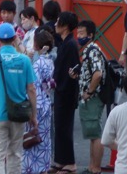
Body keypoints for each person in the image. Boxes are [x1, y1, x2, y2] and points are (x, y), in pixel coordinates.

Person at [0, 23, 37, 174]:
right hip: (18, 113)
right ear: (14, 38)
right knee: (15, 153)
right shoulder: (24, 60)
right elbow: (31, 89)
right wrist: (33, 114)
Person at [74, 20, 106, 174]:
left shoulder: (92, 50)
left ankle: (96, 167)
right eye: (78, 33)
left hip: (93, 97)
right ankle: (92, 165)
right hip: (91, 96)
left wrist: (90, 92)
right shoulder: (88, 50)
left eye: (82, 33)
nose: (78, 36)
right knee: (93, 133)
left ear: (90, 35)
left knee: (95, 132)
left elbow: (98, 73)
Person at [22, 30, 55, 174]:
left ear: (36, 45)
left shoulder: (36, 64)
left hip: (36, 104)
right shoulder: (50, 61)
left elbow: (32, 88)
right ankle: (44, 168)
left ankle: (29, 169)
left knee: (30, 139)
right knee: (43, 139)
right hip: (47, 103)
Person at [51, 11, 80, 173]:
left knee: (64, 127)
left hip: (66, 92)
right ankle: (61, 160)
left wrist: (60, 86)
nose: (55, 25)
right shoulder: (64, 42)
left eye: (58, 22)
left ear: (66, 26)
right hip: (61, 90)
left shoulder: (70, 45)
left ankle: (70, 162)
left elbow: (72, 70)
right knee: (60, 126)